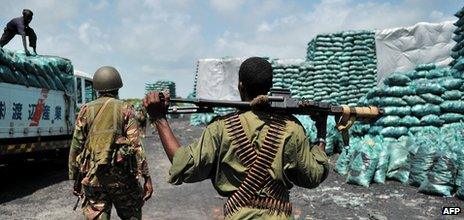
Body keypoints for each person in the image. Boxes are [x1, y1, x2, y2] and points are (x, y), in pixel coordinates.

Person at [144, 57, 329, 219]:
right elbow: (313, 176)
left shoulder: (221, 127)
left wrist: (159, 119)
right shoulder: (292, 128)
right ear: (270, 88)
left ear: (240, 85)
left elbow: (184, 165)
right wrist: (321, 132)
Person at [68, 66, 153, 220]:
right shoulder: (125, 109)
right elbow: (136, 146)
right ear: (117, 87)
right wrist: (146, 177)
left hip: (94, 178)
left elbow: (76, 146)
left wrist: (75, 178)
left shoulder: (85, 110)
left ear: (97, 88)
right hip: (122, 178)